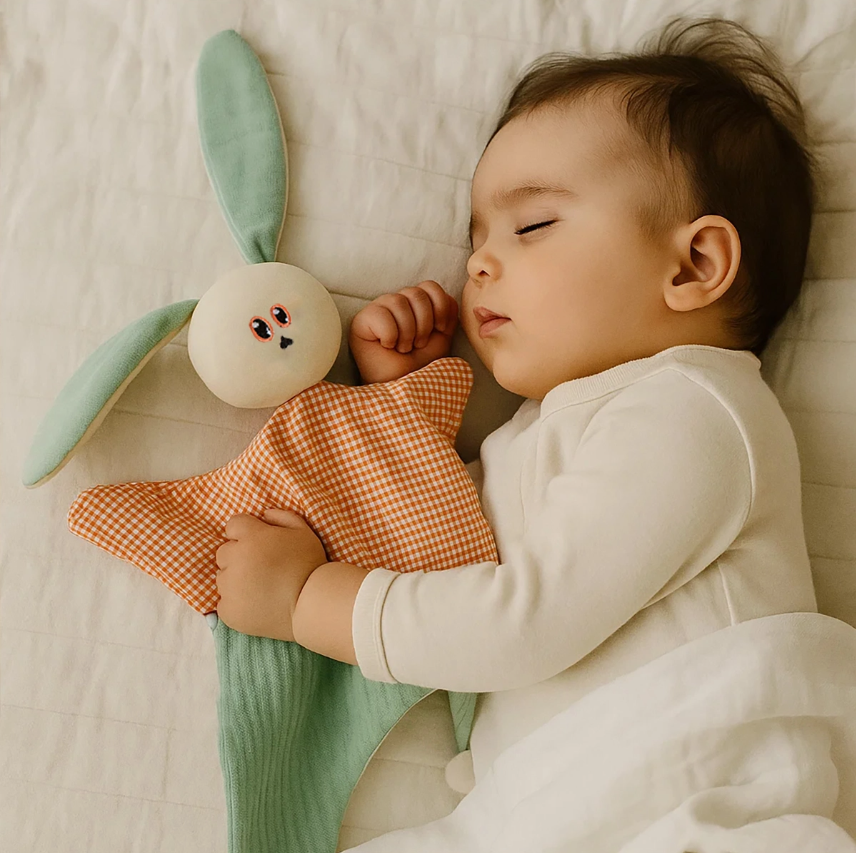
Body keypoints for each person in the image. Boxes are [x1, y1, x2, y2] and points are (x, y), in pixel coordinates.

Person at [214, 15, 819, 792]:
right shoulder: (539, 433)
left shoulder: (697, 412)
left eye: (532, 225)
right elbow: (443, 544)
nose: (480, 264)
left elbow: (525, 619)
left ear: (694, 264)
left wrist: (307, 602)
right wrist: (409, 404)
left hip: (698, 809)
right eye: (477, 239)